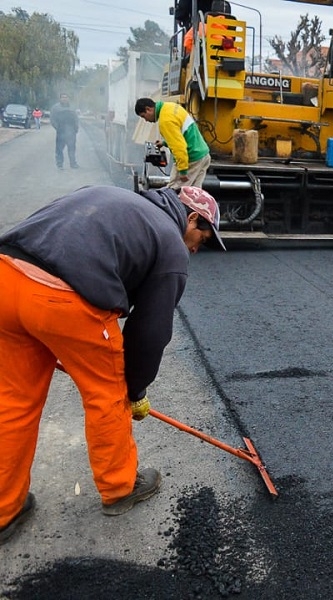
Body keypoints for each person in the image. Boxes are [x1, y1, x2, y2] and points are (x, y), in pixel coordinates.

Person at [0, 185, 225, 545]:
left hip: (6, 277)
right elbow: (150, 333)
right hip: (62, 295)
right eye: (203, 236)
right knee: (107, 393)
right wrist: (134, 390)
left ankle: (3, 509)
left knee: (13, 401)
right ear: (192, 216)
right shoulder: (170, 244)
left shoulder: (123, 202)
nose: (198, 247)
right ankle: (120, 487)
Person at [135, 97, 211, 189]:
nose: (145, 120)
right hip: (203, 155)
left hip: (192, 158)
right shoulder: (170, 107)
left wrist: (182, 171)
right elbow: (181, 134)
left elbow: (179, 147)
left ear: (148, 109)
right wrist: (164, 143)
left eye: (143, 116)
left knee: (174, 191)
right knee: (194, 193)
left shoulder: (165, 121)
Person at [50, 93, 79, 170]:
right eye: (62, 97)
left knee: (72, 148)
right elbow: (52, 119)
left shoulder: (72, 107)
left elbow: (76, 118)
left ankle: (73, 164)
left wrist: (76, 128)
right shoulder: (55, 108)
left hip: (71, 131)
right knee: (59, 149)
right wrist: (58, 128)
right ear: (60, 99)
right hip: (61, 132)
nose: (64, 99)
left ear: (68, 98)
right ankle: (60, 165)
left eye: (66, 97)